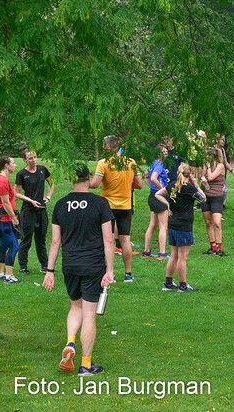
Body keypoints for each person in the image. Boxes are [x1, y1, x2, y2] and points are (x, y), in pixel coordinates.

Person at [43, 163, 115, 376]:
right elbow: (109, 240)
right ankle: (85, 365)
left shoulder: (60, 205)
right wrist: (109, 269)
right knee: (89, 313)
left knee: (75, 306)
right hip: (93, 265)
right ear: (89, 178)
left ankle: (71, 342)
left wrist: (50, 271)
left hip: (70, 265)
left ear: (70, 178)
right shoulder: (100, 203)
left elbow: (55, 242)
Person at [89, 136, 142, 283]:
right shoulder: (131, 163)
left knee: (108, 240)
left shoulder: (103, 163)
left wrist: (84, 181)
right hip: (125, 206)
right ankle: (128, 274)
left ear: (107, 147)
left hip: (108, 207)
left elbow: (94, 184)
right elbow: (139, 184)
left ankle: (108, 272)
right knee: (125, 240)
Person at [155, 163, 206, 292]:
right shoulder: (189, 188)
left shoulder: (172, 185)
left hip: (172, 224)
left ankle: (168, 283)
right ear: (191, 174)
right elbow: (203, 199)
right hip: (184, 225)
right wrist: (196, 184)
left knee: (174, 255)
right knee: (183, 257)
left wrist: (168, 205)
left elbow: (158, 194)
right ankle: (183, 285)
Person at [0, 156, 42, 283]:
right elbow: (5, 202)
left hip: (3, 217)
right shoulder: (2, 181)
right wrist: (13, 217)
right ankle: (9, 276)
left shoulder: (2, 179)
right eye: (12, 163)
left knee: (3, 245)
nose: (15, 165)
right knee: (14, 245)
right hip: (5, 218)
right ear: (6, 165)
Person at [15, 149, 54, 274]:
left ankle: (44, 266)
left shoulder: (43, 169)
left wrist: (48, 196)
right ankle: (23, 267)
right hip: (28, 211)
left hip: (41, 210)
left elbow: (52, 183)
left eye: (35, 157)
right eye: (30, 158)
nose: (33, 160)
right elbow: (16, 193)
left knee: (41, 239)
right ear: (25, 160)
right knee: (26, 239)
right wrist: (31, 201)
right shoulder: (21, 174)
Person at [143, 144, 170, 260]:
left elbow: (146, 176)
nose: (166, 153)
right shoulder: (159, 164)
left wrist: (151, 188)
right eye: (164, 152)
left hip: (152, 196)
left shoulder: (152, 163)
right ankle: (162, 253)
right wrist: (162, 190)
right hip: (159, 198)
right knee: (163, 226)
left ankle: (146, 252)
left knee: (152, 224)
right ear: (159, 154)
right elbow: (153, 178)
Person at [201, 147, 226, 255]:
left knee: (217, 223)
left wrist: (207, 168)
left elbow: (211, 177)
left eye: (207, 157)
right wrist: (202, 182)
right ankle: (213, 247)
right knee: (208, 223)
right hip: (206, 197)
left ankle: (219, 248)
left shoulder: (220, 166)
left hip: (217, 197)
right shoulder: (205, 167)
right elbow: (203, 180)